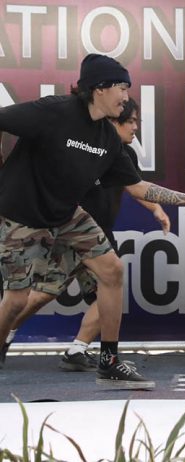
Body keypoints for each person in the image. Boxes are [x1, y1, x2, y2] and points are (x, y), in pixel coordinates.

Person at [0, 54, 185, 389]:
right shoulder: (54, 111)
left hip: (66, 214)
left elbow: (138, 187)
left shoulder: (107, 138)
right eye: (122, 87)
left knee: (112, 270)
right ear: (99, 88)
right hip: (20, 214)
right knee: (17, 300)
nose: (125, 96)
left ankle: (109, 362)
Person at [0, 98, 170, 373]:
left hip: (96, 237)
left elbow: (135, 186)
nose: (135, 127)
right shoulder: (80, 143)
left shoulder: (123, 153)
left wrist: (157, 208)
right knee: (38, 295)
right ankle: (8, 332)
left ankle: (79, 350)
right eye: (130, 121)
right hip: (68, 234)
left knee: (110, 282)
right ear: (112, 121)